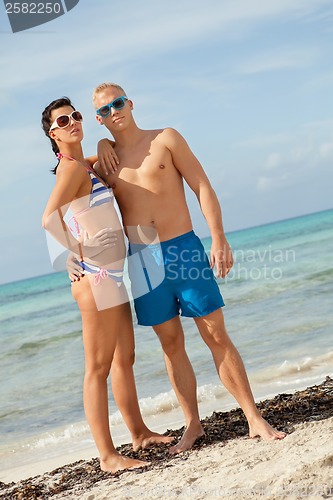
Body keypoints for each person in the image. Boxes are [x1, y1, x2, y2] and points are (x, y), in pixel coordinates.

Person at [68, 83, 286, 454]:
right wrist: (69, 251)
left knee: (216, 335)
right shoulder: (103, 162)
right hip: (142, 258)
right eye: (103, 111)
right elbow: (69, 187)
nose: (113, 112)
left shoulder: (165, 139)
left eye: (117, 104)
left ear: (130, 103)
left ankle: (253, 417)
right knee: (171, 345)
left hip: (183, 247)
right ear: (98, 120)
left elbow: (201, 185)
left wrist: (218, 238)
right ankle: (193, 425)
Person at [41, 97, 172, 473]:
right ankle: (107, 456)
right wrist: (76, 250)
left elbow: (109, 150)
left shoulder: (84, 164)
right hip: (96, 276)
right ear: (53, 133)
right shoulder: (69, 169)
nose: (73, 123)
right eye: (63, 121)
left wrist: (99, 144)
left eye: (76, 116)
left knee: (123, 360)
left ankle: (139, 432)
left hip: (111, 275)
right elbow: (48, 218)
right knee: (97, 368)